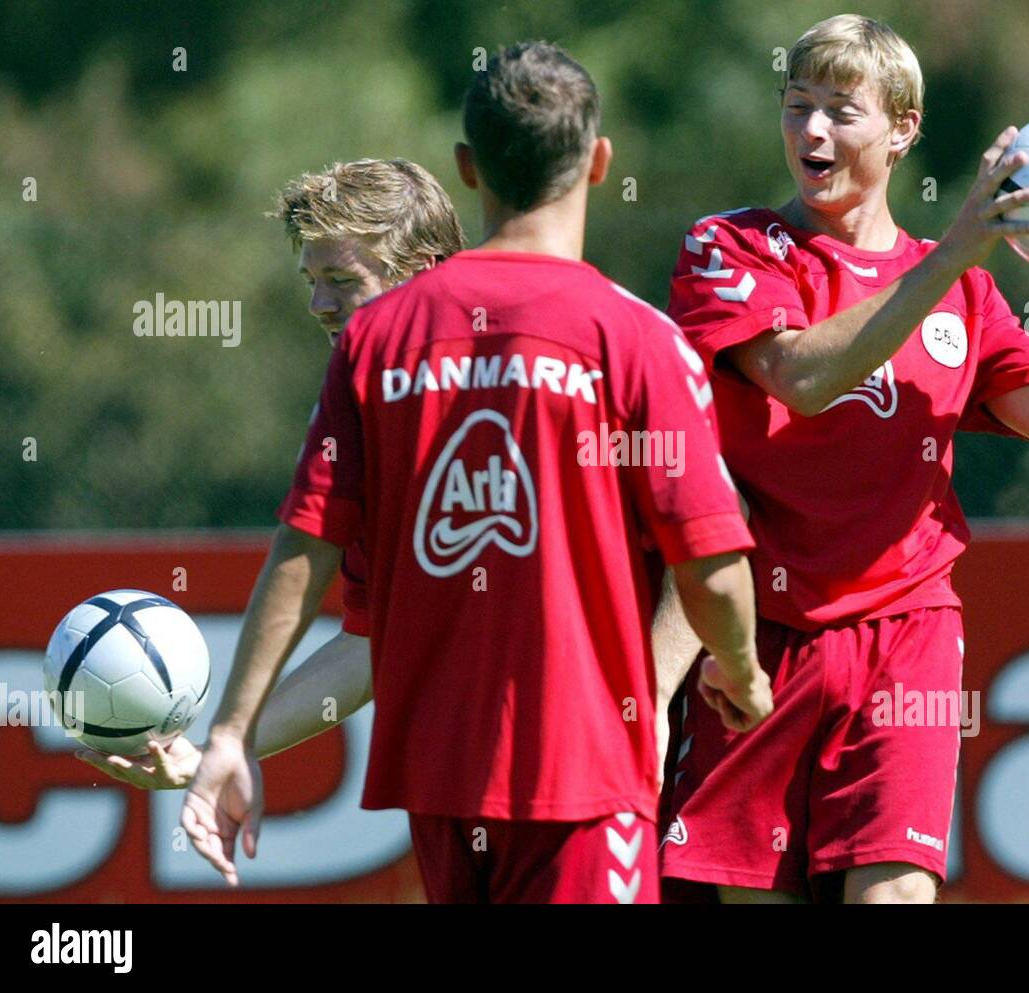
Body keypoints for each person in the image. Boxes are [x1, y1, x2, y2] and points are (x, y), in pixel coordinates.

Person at [179, 41, 772, 904]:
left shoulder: (379, 348)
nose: (321, 304)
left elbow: (301, 547)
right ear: (600, 163)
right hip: (570, 781)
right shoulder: (637, 339)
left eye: (338, 278)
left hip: (510, 779)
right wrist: (745, 670)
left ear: (467, 167)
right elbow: (713, 553)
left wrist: (232, 730)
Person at [658, 14, 1029, 904]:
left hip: (907, 634)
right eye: (797, 105)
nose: (810, 131)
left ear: (903, 129)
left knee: (894, 896)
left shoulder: (960, 286)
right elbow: (801, 376)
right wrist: (957, 253)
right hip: (756, 640)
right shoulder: (731, 246)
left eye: (839, 111)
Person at [76, 158, 466, 788]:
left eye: (341, 278)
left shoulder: (546, 368)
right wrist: (217, 753)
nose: (317, 303)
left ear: (419, 274)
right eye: (311, 280)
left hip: (600, 753)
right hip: (459, 773)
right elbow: (370, 644)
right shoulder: (359, 409)